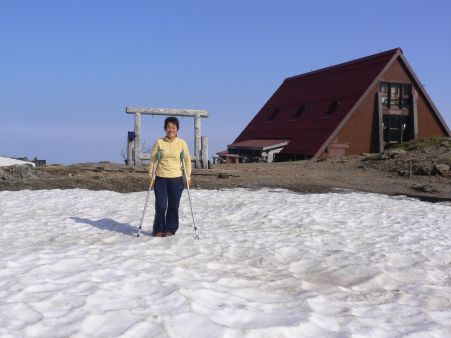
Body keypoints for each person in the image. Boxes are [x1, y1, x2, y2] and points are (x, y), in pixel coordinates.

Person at [148, 116, 192, 237]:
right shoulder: (159, 142)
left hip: (176, 178)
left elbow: (187, 160)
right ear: (165, 129)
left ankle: (170, 229)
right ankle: (158, 229)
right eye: (168, 127)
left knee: (173, 205)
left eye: (173, 127)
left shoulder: (182, 143)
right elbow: (153, 160)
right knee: (161, 206)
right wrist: (151, 176)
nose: (171, 130)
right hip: (161, 178)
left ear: (177, 129)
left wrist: (188, 176)